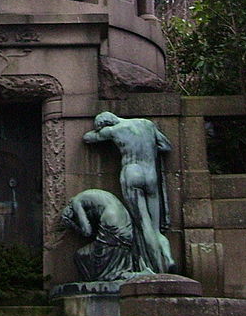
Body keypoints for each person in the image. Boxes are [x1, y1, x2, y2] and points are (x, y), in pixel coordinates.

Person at [82, 112, 176, 273]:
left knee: (144, 225)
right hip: (151, 175)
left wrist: (100, 131)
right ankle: (168, 258)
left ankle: (157, 270)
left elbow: (88, 138)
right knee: (155, 228)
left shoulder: (113, 130)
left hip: (132, 173)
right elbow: (166, 146)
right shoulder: (147, 124)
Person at [59, 189, 142, 283]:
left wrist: (72, 224)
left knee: (104, 271)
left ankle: (136, 275)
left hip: (111, 221)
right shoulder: (89, 196)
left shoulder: (76, 202)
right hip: (125, 223)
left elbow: (87, 232)